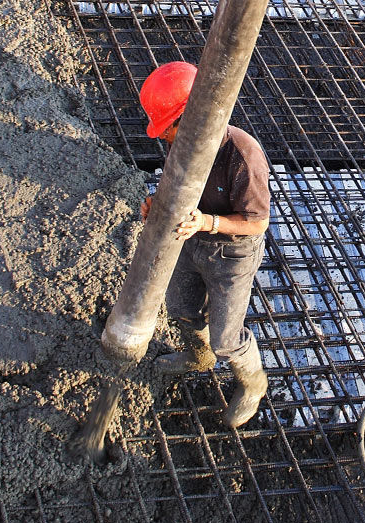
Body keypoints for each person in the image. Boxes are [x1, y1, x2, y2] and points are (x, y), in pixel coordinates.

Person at [139, 61, 271, 428]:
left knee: (226, 337)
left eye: (168, 128)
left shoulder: (242, 154)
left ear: (195, 116)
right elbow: (176, 185)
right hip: (192, 237)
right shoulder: (184, 145)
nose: (165, 138)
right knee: (182, 306)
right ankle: (199, 358)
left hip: (232, 252)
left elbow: (259, 221)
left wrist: (209, 222)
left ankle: (253, 384)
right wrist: (158, 204)